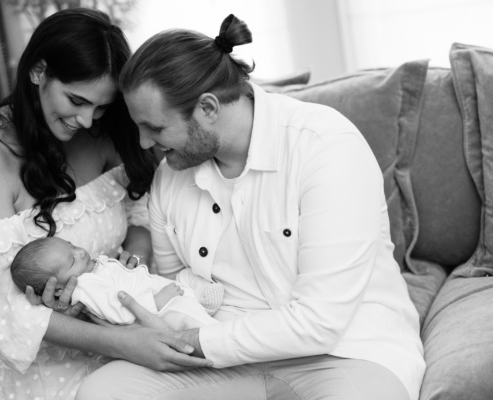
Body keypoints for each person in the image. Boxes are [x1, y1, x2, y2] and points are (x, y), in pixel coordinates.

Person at [76, 14, 426, 400]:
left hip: (344, 352)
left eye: (156, 128)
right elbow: (172, 291)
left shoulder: (326, 146)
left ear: (208, 108)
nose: (143, 144)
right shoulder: (170, 177)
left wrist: (192, 338)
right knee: (103, 391)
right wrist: (98, 298)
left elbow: (320, 323)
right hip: (216, 362)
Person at [0, 8, 211, 400]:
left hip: (126, 323)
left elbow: (137, 207)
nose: (87, 121)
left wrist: (131, 260)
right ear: (38, 71)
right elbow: (6, 311)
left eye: (101, 106)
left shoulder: (103, 129)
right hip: (46, 366)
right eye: (76, 100)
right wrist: (125, 342)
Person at [10, 236, 223, 329]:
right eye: (73, 260)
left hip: (154, 286)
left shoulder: (90, 267)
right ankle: (214, 332)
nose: (81, 252)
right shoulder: (85, 287)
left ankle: (200, 301)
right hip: (155, 310)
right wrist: (157, 301)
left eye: (72, 245)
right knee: (183, 314)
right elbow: (120, 312)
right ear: (58, 288)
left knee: (186, 278)